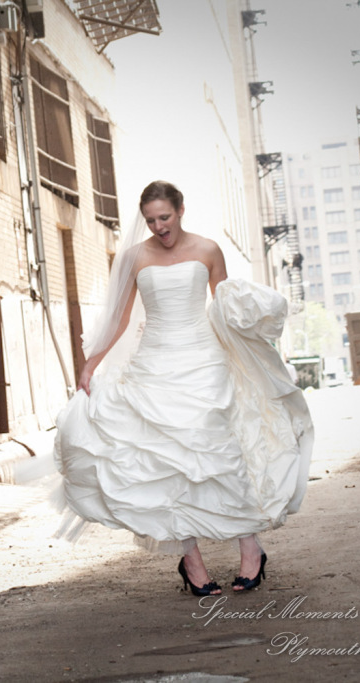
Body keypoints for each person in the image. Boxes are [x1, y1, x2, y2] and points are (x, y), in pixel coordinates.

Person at [55, 180, 313, 596]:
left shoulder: (208, 250)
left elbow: (225, 309)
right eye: (150, 220)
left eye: (165, 217)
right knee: (167, 463)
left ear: (181, 210)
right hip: (155, 362)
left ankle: (252, 549)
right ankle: (191, 561)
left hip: (204, 360)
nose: (158, 226)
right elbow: (119, 320)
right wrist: (90, 364)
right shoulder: (134, 258)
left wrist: (256, 352)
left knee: (222, 452)